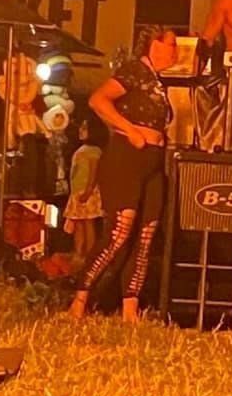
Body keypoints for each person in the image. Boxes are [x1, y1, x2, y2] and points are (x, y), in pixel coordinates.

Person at [68, 26, 177, 323]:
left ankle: (130, 309)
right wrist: (129, 131)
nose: (176, 51)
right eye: (171, 44)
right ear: (154, 46)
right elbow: (98, 99)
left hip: (153, 162)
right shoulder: (134, 71)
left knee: (145, 235)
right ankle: (79, 300)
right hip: (128, 156)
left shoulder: (157, 80)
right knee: (118, 234)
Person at [63, 113, 103, 270]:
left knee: (88, 223)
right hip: (77, 191)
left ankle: (89, 254)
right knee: (78, 223)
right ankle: (79, 252)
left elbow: (94, 172)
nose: (81, 130)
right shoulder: (81, 150)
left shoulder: (94, 151)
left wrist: (88, 190)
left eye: (85, 128)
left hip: (87, 192)